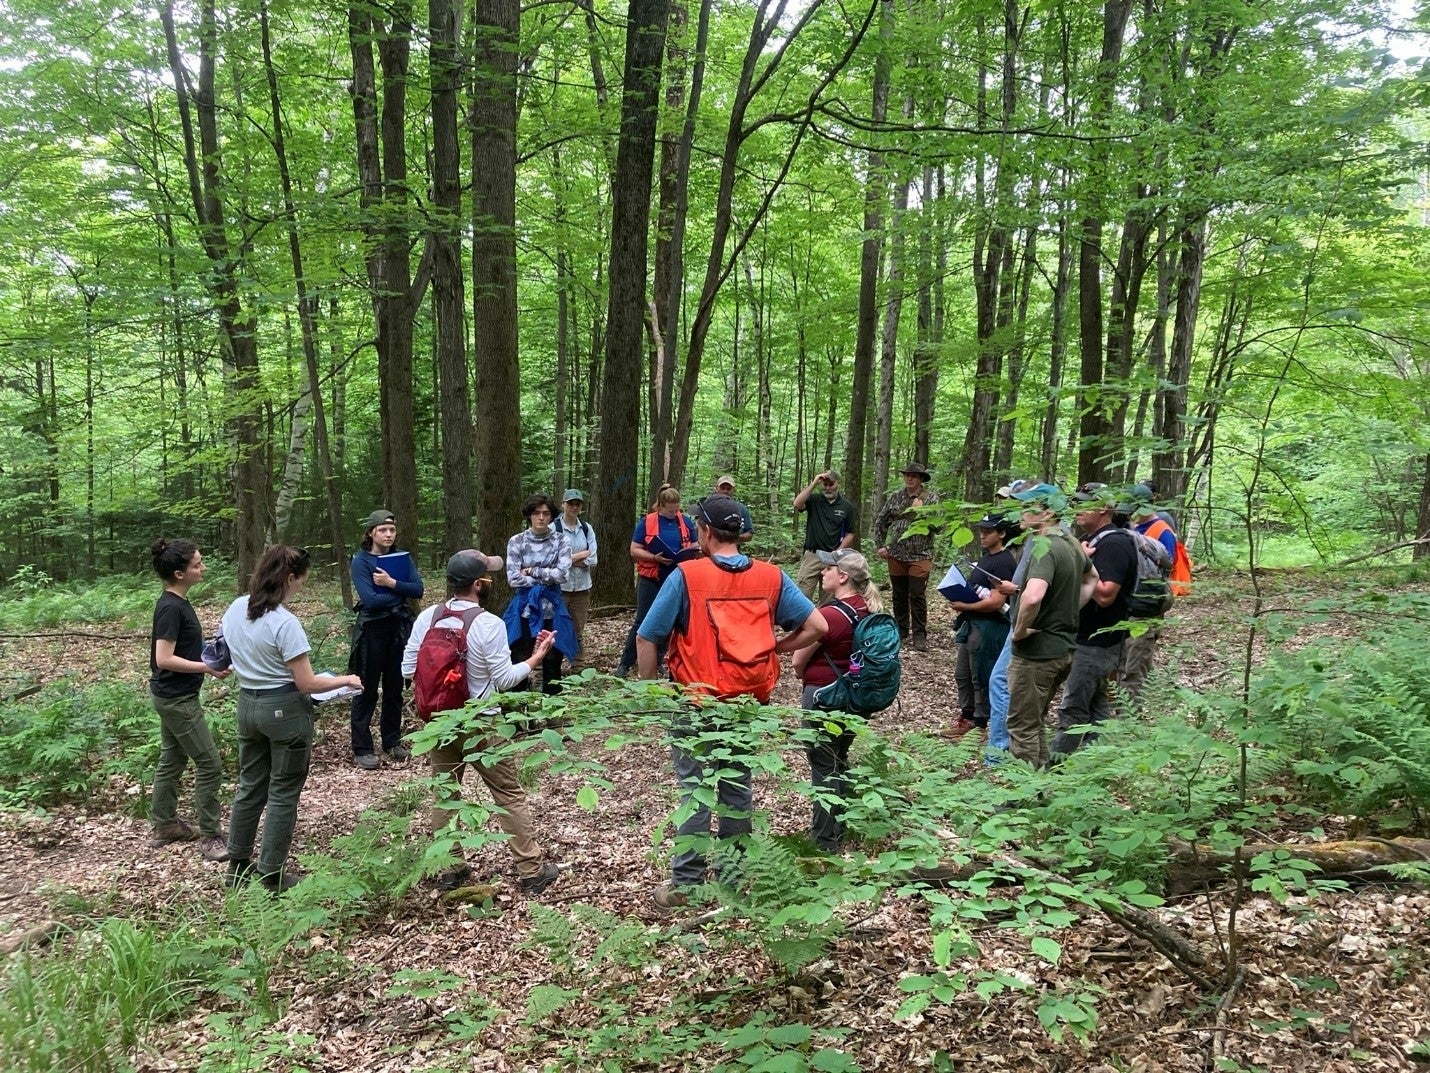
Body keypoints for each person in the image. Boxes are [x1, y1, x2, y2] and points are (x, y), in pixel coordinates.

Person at [636, 494, 826, 909]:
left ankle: (685, 885)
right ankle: (733, 880)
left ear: (704, 531)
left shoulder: (687, 575)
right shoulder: (771, 577)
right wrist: (776, 647)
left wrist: (650, 692)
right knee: (737, 788)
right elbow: (818, 625)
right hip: (746, 704)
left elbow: (647, 636)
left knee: (694, 790)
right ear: (739, 533)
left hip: (696, 701)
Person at [402, 550, 562, 895]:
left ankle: (450, 868)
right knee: (508, 794)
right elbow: (504, 680)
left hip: (440, 723)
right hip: (481, 723)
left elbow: (407, 669)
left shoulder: (428, 617)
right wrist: (536, 657)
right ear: (478, 584)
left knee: (446, 794)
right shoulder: (488, 623)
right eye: (487, 577)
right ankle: (532, 871)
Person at [221, 546, 364, 892]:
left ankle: (237, 866)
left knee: (250, 786)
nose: (301, 586)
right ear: (288, 579)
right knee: (283, 792)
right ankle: (271, 873)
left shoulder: (237, 607)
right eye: (301, 581)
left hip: (248, 705)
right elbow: (307, 683)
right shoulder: (284, 623)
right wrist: (345, 680)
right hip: (284, 709)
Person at [790, 549, 882, 852]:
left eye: (828, 568)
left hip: (823, 695)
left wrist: (800, 668)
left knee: (823, 766)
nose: (822, 572)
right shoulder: (868, 610)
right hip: (855, 698)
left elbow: (797, 660)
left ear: (842, 576)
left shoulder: (830, 614)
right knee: (839, 759)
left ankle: (824, 842)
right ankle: (840, 827)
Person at [146, 538, 231, 862]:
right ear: (180, 574)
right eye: (197, 564)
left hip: (174, 695)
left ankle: (165, 823)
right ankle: (210, 836)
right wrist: (207, 667)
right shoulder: (170, 606)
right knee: (210, 764)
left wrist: (212, 651)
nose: (203, 568)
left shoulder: (178, 602)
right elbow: (164, 658)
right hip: (177, 699)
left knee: (172, 759)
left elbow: (180, 649)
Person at [1004, 484, 1096, 768]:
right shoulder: (1069, 541)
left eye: (1027, 506)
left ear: (1045, 512)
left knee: (1021, 726)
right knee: (1034, 721)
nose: (1020, 512)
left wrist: (1019, 631)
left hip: (1036, 654)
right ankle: (1039, 786)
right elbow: (1091, 578)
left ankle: (1021, 798)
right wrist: (1067, 612)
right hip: (1061, 649)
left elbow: (1032, 597)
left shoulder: (1045, 547)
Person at [1051, 482, 1140, 758]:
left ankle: (1050, 771)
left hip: (1099, 641)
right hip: (1088, 638)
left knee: (1073, 706)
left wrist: (1078, 563)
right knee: (1097, 705)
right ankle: (1097, 762)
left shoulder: (1114, 543)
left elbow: (1105, 595)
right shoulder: (1096, 540)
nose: (1077, 508)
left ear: (1104, 508)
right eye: (1075, 502)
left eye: (1084, 503)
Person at [349, 509, 425, 771]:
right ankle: (362, 748)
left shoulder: (401, 559)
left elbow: (418, 589)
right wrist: (400, 594)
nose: (388, 534)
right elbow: (369, 600)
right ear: (371, 532)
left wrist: (392, 583)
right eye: (383, 529)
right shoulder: (361, 561)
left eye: (392, 530)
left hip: (398, 628)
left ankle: (392, 740)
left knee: (394, 686)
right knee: (366, 687)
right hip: (372, 629)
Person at [615, 485, 698, 677]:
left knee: (668, 622)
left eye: (676, 509)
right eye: (670, 510)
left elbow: (694, 544)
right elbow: (634, 549)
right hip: (651, 578)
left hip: (676, 579)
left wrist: (691, 552)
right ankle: (625, 663)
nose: (673, 513)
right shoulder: (647, 522)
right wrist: (654, 558)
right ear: (660, 506)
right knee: (642, 621)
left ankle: (658, 660)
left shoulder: (685, 522)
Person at [947, 516, 1016, 736]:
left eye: (989, 531)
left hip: (989, 626)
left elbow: (997, 601)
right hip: (973, 623)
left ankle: (981, 723)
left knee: (981, 675)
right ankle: (967, 717)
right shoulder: (987, 558)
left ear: (1002, 533)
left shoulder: (1003, 561)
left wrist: (965, 605)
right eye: (981, 531)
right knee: (963, 674)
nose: (983, 535)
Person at [504, 493, 575, 696]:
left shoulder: (562, 541)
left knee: (553, 663)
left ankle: (552, 716)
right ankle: (518, 720)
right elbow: (514, 578)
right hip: (524, 609)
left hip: (552, 609)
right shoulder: (517, 541)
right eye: (536, 513)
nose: (541, 518)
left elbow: (562, 575)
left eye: (545, 513)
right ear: (529, 516)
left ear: (552, 516)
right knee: (519, 660)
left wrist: (532, 570)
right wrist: (546, 575)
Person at [872, 461, 942, 651]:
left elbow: (940, 526)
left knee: (917, 595)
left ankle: (920, 635)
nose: (909, 478)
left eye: (914, 475)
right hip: (896, 554)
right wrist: (880, 545)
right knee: (899, 595)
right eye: (907, 475)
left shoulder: (931, 499)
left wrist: (921, 513)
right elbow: (881, 521)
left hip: (921, 555)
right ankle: (901, 630)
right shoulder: (896, 497)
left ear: (920, 479)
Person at [792, 470, 858, 601]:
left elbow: (850, 533)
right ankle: (802, 621)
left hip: (832, 557)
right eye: (825, 485)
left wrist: (839, 551)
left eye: (831, 484)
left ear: (838, 484)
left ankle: (825, 621)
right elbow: (797, 503)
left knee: (829, 599)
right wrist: (815, 482)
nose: (828, 488)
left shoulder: (847, 506)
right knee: (802, 595)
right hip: (812, 555)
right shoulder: (814, 500)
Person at [552, 489, 597, 672]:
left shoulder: (586, 528)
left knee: (577, 630)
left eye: (577, 503)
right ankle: (548, 668)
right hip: (559, 588)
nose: (574, 507)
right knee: (554, 628)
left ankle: (578, 667)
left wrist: (568, 559)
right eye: (570, 503)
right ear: (563, 504)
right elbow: (553, 559)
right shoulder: (554, 528)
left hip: (581, 589)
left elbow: (593, 558)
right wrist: (579, 556)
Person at [714, 474, 755, 543]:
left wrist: (735, 538)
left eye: (729, 488)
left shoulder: (741, 509)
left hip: (734, 550)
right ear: (716, 488)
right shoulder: (708, 507)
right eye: (722, 488)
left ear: (734, 490)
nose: (725, 491)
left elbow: (749, 533)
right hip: (712, 550)